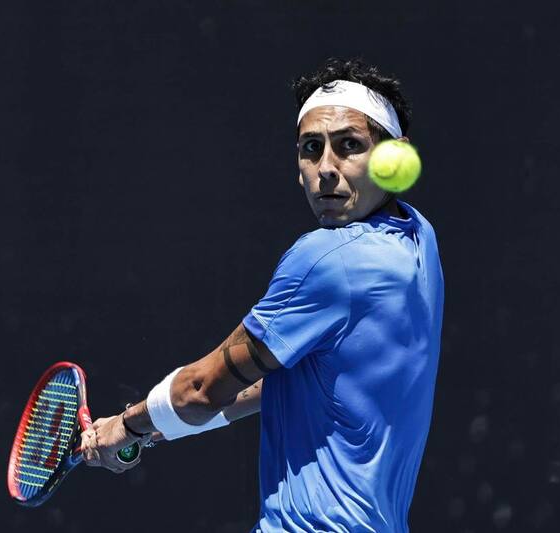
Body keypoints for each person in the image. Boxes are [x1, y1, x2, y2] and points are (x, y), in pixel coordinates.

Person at [81, 57, 445, 533]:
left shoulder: (327, 259)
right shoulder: (419, 240)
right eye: (311, 149)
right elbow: (292, 377)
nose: (326, 169)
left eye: (349, 146)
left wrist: (126, 426)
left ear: (390, 157)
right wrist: (156, 430)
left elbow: (201, 388)